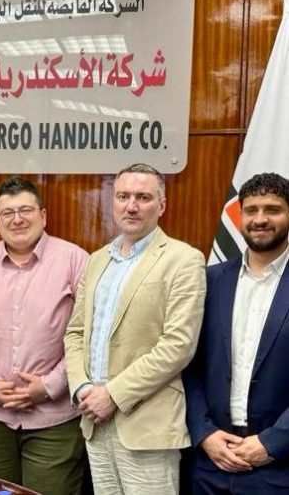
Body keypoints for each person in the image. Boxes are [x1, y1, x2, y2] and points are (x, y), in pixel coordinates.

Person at [64, 163, 206, 494]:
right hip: (94, 419)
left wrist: (112, 395)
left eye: (143, 197)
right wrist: (82, 387)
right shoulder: (97, 260)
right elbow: (75, 332)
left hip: (147, 424)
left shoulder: (184, 260)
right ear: (112, 202)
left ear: (161, 205)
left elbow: (178, 345)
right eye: (123, 196)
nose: (131, 206)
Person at [0, 176, 89, 495]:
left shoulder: (75, 261)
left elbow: (90, 334)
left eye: (25, 210)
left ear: (43, 215)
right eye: (8, 213)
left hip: (54, 419)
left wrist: (50, 386)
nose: (17, 219)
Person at [184, 172, 289, 494]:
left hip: (279, 467)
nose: (260, 219)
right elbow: (189, 365)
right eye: (251, 210)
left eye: (273, 210)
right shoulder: (210, 280)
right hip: (210, 463)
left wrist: (273, 442)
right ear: (239, 215)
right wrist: (204, 433)